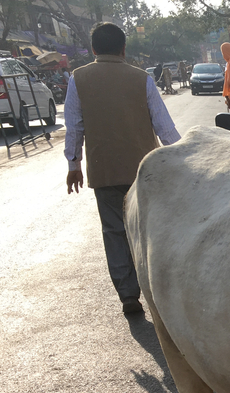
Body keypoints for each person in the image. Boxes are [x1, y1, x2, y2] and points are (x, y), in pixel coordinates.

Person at [64, 22, 181, 315]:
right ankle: (154, 288)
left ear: (93, 49)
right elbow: (165, 129)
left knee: (115, 230)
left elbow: (74, 128)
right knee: (146, 229)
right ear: (123, 48)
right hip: (143, 172)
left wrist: (73, 164)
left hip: (103, 171)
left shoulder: (78, 79)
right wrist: (183, 159)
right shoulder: (141, 79)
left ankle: (128, 294)